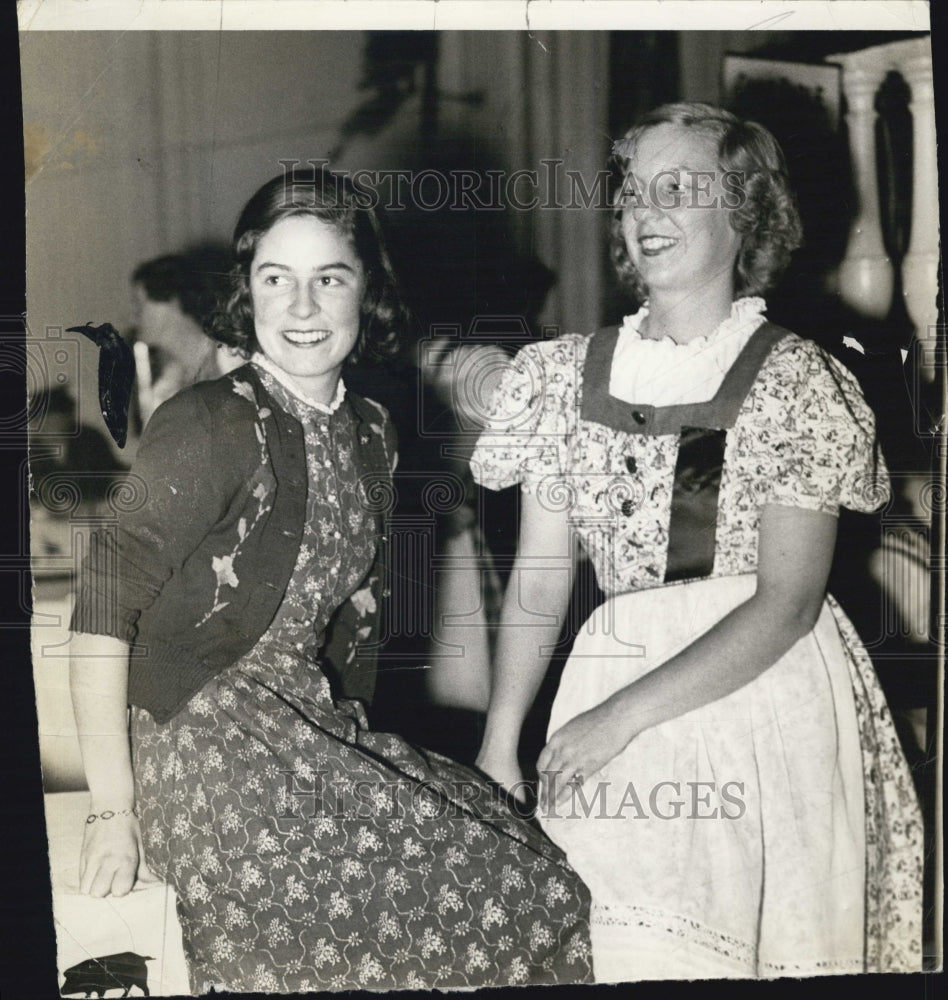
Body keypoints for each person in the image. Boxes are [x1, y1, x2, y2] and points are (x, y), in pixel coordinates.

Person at [68, 169, 592, 993]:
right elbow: (99, 608)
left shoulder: (372, 432)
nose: (301, 308)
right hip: (206, 756)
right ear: (247, 292)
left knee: (536, 860)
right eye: (276, 280)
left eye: (329, 279)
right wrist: (111, 811)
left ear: (367, 295)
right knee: (524, 898)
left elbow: (352, 627)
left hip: (312, 729)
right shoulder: (206, 422)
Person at [470, 103, 923, 980]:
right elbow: (540, 574)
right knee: (620, 944)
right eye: (633, 192)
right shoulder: (562, 375)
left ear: (742, 213)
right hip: (610, 677)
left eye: (678, 189)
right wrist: (500, 740)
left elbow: (787, 603)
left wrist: (620, 720)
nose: (646, 212)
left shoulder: (796, 379)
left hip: (758, 694)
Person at [130, 246, 244, 426]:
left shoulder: (230, 358)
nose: (133, 317)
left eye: (139, 304)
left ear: (171, 303)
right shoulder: (170, 383)